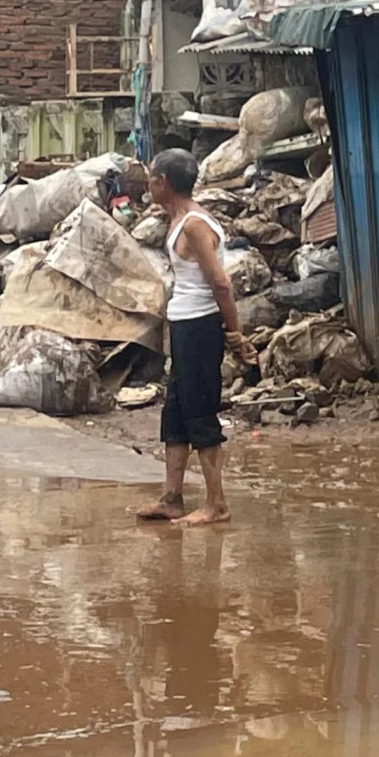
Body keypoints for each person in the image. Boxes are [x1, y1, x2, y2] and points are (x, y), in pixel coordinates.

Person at [135, 148, 243, 526]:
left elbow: (220, 283)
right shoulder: (179, 219)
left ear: (163, 182)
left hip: (200, 327)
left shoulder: (196, 225)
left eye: (151, 179)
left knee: (200, 411)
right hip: (184, 327)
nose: (148, 185)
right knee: (176, 412)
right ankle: (172, 496)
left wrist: (235, 334)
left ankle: (217, 503)